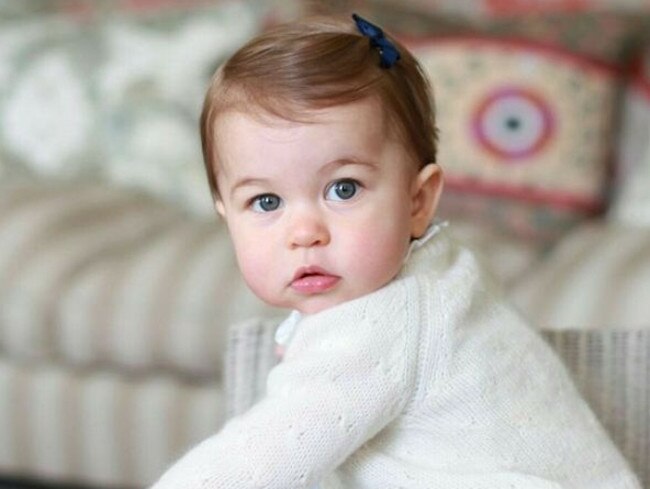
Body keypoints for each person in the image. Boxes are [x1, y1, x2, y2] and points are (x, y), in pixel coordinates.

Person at [150, 14, 640, 489]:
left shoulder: (386, 320)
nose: (304, 232)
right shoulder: (440, 274)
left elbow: (254, 463)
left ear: (418, 201)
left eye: (343, 189)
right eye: (266, 201)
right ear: (225, 214)